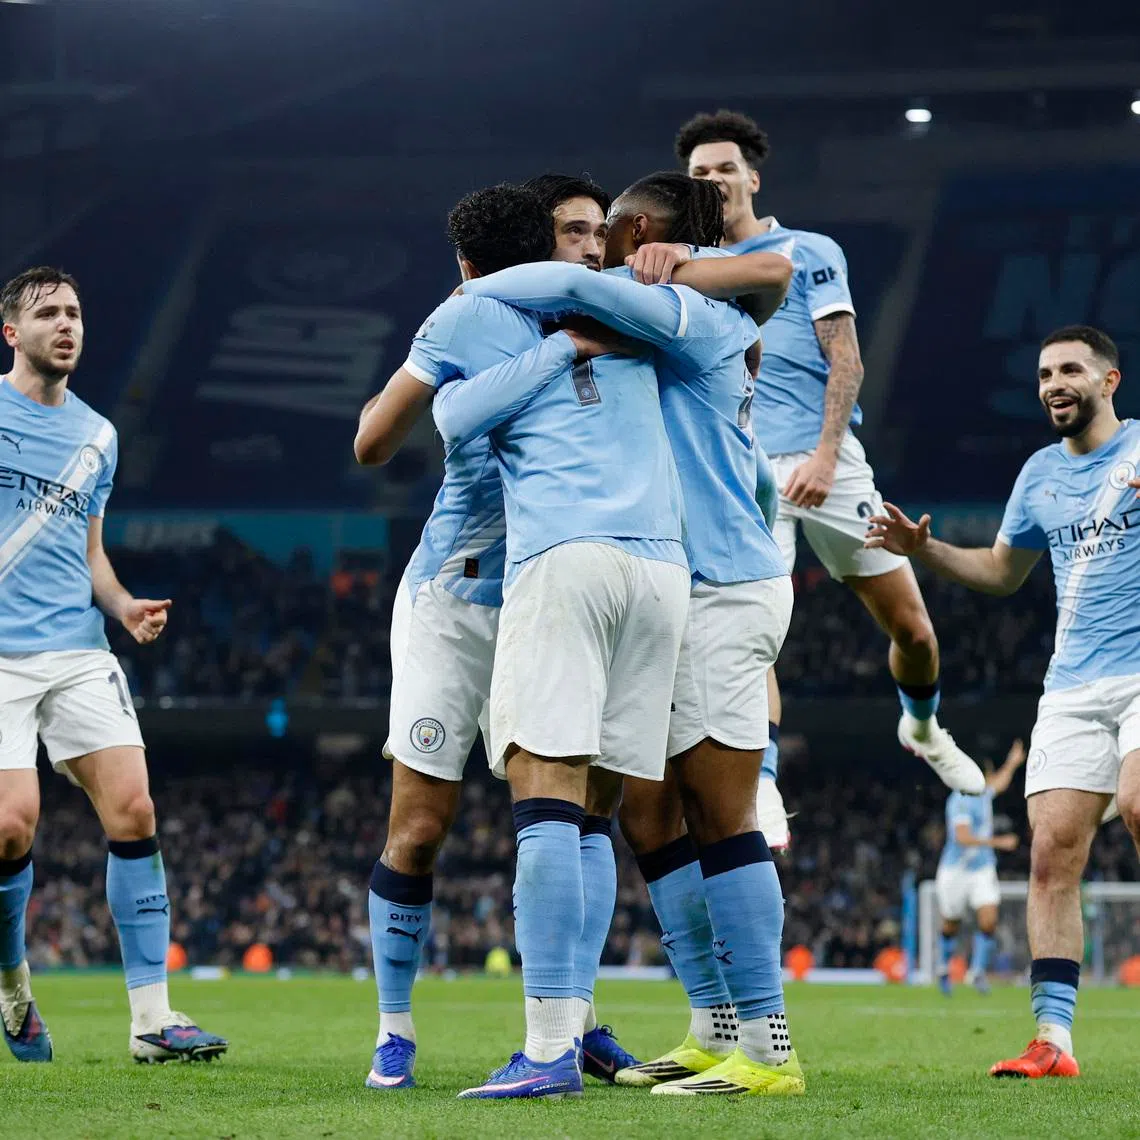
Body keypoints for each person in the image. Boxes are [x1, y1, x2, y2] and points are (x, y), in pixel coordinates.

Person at [455, 173, 804, 1097]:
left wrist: (472, 288)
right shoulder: (685, 318)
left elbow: (575, 291)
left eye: (603, 230)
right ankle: (710, 1023)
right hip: (693, 582)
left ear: (638, 231)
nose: (593, 245)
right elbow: (761, 480)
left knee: (724, 817)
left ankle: (768, 1051)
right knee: (650, 813)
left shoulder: (688, 311)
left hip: (722, 591)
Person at [353, 175, 642, 1091]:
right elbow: (372, 441)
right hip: (457, 601)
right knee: (423, 827)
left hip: (558, 598)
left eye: (602, 233)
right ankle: (394, 1029)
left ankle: (573, 1020)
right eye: (573, 233)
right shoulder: (471, 321)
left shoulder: (624, 323)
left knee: (584, 811)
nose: (592, 249)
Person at [676, 108, 986, 805]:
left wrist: (823, 454)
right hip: (737, 471)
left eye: (725, 168)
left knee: (912, 629)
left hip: (827, 460)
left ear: (751, 177)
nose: (715, 180)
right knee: (752, 630)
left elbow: (844, 356)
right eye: (700, 173)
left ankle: (924, 726)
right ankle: (762, 782)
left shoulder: (809, 250)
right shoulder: (683, 266)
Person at [865, 325, 1140, 1079]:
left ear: (1109, 380)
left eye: (1072, 370)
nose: (1054, 383)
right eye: (1046, 372)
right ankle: (1054, 1040)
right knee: (1052, 855)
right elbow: (998, 569)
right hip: (1074, 684)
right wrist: (921, 550)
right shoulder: (1040, 475)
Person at [0, 266, 227, 1064]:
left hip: (75, 648)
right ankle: (13, 987)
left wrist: (123, 605)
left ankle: (153, 1022)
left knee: (134, 811)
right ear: (11, 332)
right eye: (48, 314)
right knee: (7, 826)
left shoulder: (100, 435)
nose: (67, 325)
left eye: (75, 312)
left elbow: (89, 551)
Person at [936, 740, 1026, 996]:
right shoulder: (960, 801)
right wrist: (999, 841)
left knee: (989, 921)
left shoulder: (984, 793)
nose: (988, 779)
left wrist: (1012, 762)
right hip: (955, 871)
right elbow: (962, 837)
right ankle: (943, 967)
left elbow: (1000, 782)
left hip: (982, 869)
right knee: (950, 924)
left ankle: (976, 973)